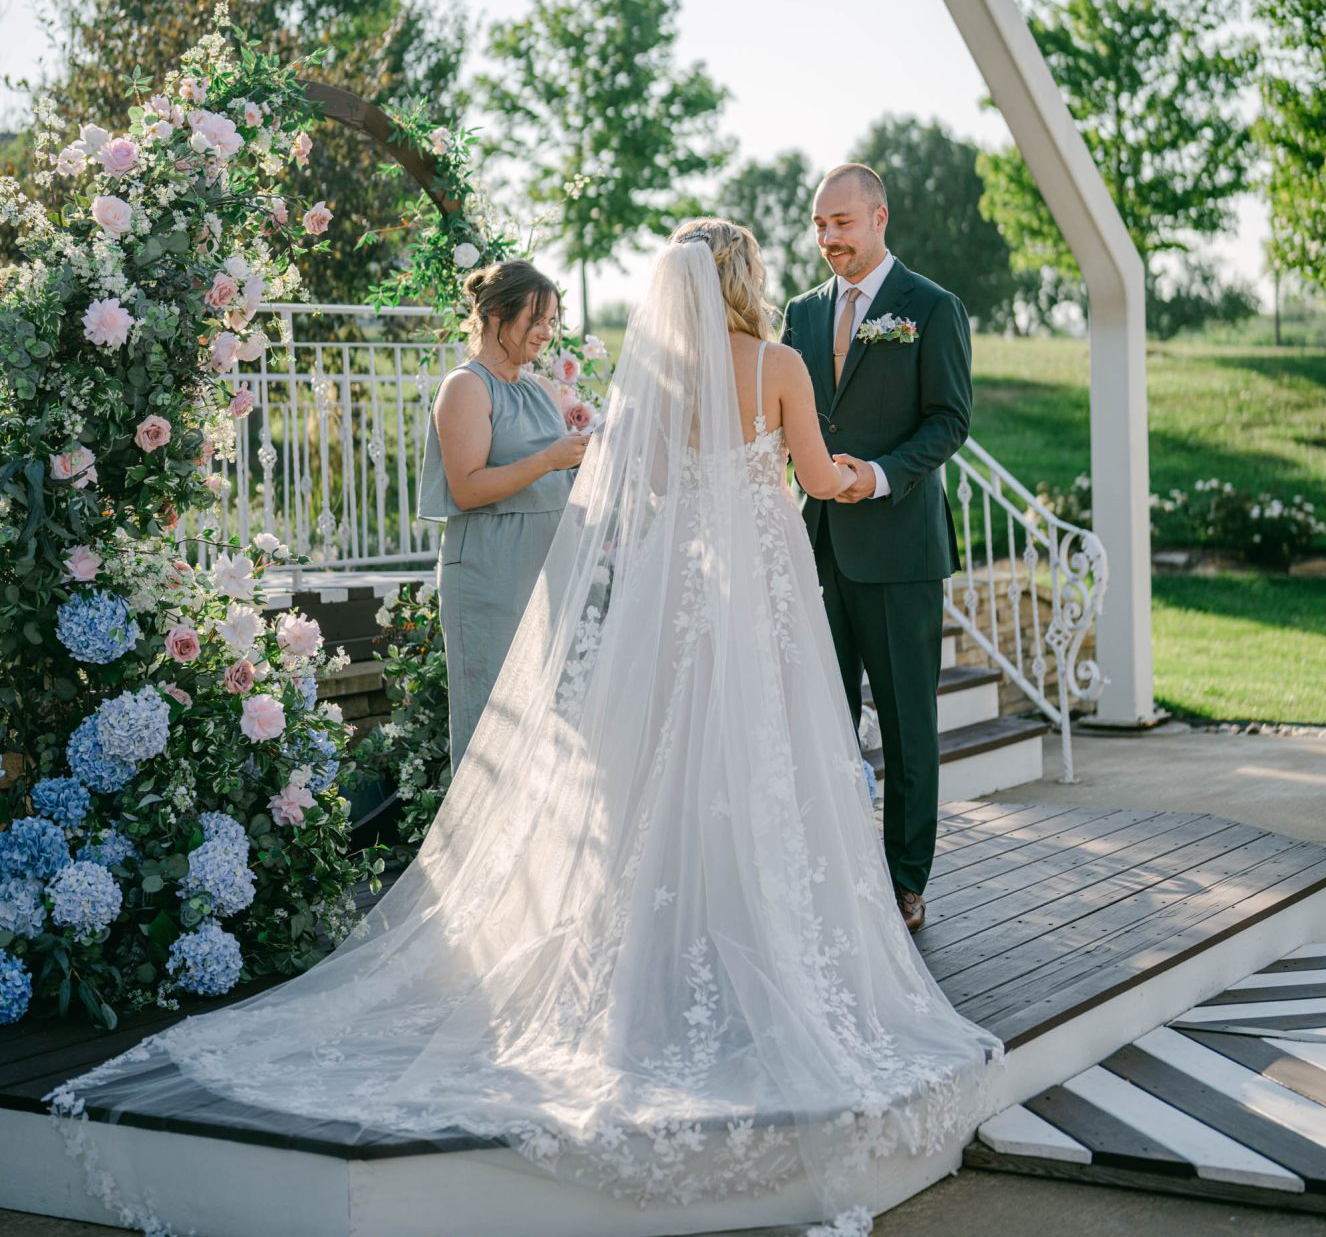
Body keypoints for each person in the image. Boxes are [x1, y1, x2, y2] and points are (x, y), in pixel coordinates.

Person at [52, 221, 1001, 1237]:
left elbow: (631, 495)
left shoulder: (661, 379)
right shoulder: (774, 364)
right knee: (763, 767)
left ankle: (656, 964)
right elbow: (815, 480)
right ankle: (752, 962)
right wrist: (865, 477)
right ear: (743, 277)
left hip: (674, 596)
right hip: (756, 597)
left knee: (657, 771)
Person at [781, 164, 973, 936]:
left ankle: (904, 881)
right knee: (821, 719)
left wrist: (882, 476)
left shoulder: (931, 307)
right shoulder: (797, 314)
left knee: (904, 725)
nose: (830, 239)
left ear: (879, 218)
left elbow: (949, 421)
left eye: (843, 224)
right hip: (816, 548)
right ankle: (831, 871)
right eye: (821, 226)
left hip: (899, 551)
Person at [417, 259, 588, 764]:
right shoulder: (466, 387)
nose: (545, 333)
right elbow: (466, 489)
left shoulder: (539, 388)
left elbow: (559, 477)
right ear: (494, 314)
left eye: (551, 321)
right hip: (491, 571)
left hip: (547, 565)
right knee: (493, 723)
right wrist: (548, 459)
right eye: (534, 320)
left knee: (552, 723)